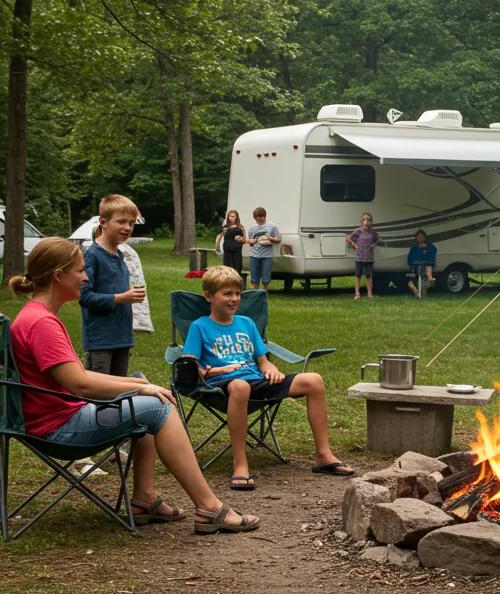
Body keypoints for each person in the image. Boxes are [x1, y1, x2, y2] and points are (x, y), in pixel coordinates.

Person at [8, 238, 259, 535]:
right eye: (80, 271)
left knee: (148, 399)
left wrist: (135, 383)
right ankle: (209, 507)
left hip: (55, 418)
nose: (86, 277)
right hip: (60, 427)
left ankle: (144, 499)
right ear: (58, 275)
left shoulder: (36, 316)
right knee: (157, 406)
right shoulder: (41, 324)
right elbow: (80, 384)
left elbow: (76, 377)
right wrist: (141, 390)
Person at [181, 265, 358, 491]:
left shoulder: (246, 323)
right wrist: (214, 371)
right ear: (208, 296)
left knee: (314, 380)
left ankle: (323, 455)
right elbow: (188, 365)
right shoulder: (200, 327)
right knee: (240, 385)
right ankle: (240, 463)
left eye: (237, 293)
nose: (234, 299)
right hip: (223, 386)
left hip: (257, 381)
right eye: (227, 294)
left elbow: (262, 360)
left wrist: (270, 368)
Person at [73, 196, 149, 477]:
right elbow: (84, 296)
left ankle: (111, 447)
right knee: (96, 396)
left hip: (121, 338)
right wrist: (122, 297)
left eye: (131, 223)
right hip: (100, 340)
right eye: (121, 222)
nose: (127, 227)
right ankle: (84, 457)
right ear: (103, 222)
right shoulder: (92, 255)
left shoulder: (120, 254)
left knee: (118, 396)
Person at [347, 212, 379, 300]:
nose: (366, 222)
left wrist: (374, 245)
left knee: (368, 275)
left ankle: (369, 293)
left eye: (368, 220)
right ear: (361, 221)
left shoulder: (373, 233)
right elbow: (348, 238)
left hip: (369, 258)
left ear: (371, 222)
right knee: (358, 275)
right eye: (364, 220)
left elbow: (378, 239)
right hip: (359, 257)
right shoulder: (358, 231)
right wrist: (354, 245)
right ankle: (357, 294)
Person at [246, 207, 280, 290]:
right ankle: (256, 292)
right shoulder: (252, 227)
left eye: (260, 220)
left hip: (266, 255)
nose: (259, 222)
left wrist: (270, 239)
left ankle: (265, 292)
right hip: (254, 255)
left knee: (266, 275)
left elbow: (278, 239)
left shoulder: (272, 226)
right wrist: (251, 242)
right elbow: (250, 241)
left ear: (264, 216)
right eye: (257, 220)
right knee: (254, 275)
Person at [406, 229, 437, 297]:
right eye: (418, 237)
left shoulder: (430, 247)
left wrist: (422, 262)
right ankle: (417, 293)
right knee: (410, 283)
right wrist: (417, 263)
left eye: (421, 237)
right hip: (414, 270)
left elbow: (432, 260)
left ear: (425, 238)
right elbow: (409, 260)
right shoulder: (414, 248)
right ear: (416, 238)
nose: (420, 238)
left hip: (425, 270)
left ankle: (431, 281)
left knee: (423, 288)